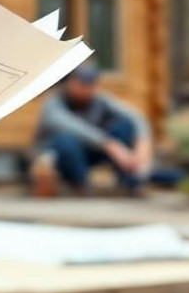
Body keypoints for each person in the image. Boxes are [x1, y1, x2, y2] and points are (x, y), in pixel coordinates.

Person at [29, 58, 153, 196]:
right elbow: (72, 127)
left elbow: (136, 117)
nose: (87, 89)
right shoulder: (52, 103)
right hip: (56, 156)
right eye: (82, 84)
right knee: (66, 140)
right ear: (69, 81)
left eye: (91, 84)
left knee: (123, 126)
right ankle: (80, 185)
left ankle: (133, 181)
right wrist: (109, 144)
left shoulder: (100, 99)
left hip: (90, 152)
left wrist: (143, 143)